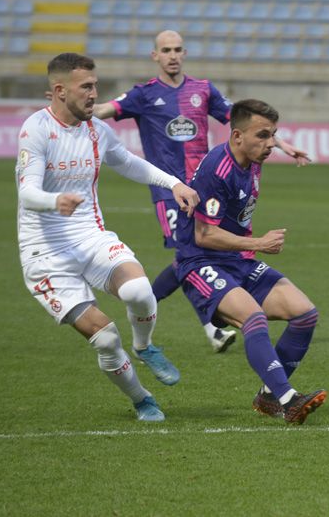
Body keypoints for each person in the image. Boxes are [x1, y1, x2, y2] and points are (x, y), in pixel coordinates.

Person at [91, 30, 311, 353]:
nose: (173, 55)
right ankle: (181, 315)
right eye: (166, 50)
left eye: (178, 49)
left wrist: (281, 143)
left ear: (184, 52)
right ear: (155, 56)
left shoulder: (202, 90)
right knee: (187, 256)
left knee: (189, 258)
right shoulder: (143, 95)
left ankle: (154, 303)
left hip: (205, 190)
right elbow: (101, 110)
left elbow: (247, 122)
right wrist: (71, 108)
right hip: (169, 191)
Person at [16, 53, 200, 422]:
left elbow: (128, 162)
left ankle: (145, 346)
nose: (93, 94)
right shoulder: (35, 130)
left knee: (138, 291)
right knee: (106, 339)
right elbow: (27, 193)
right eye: (86, 86)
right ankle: (141, 398)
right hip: (44, 253)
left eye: (95, 85)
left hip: (90, 235)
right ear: (59, 90)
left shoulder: (97, 130)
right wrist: (55, 201)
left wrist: (174, 183)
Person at [175, 98, 327, 424]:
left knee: (304, 314)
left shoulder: (253, 152)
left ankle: (269, 396)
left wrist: (286, 146)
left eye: (273, 135)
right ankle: (288, 400)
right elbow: (204, 235)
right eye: (263, 136)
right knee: (253, 318)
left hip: (238, 259)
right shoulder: (218, 169)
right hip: (203, 262)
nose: (269, 143)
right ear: (237, 136)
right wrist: (258, 243)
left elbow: (264, 136)